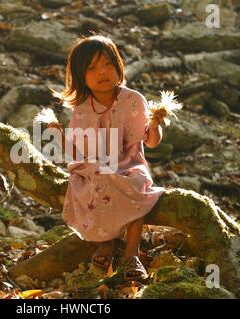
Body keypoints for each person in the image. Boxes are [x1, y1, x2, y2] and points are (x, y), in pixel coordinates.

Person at [48, 35, 166, 281]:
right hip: (96, 164)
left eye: (107, 64)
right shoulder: (82, 108)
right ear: (81, 76)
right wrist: (59, 136)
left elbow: (150, 142)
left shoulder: (133, 100)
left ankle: (131, 254)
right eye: (92, 68)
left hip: (129, 164)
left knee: (135, 184)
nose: (102, 72)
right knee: (97, 181)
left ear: (118, 65)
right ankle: (106, 244)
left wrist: (155, 125)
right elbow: (78, 153)